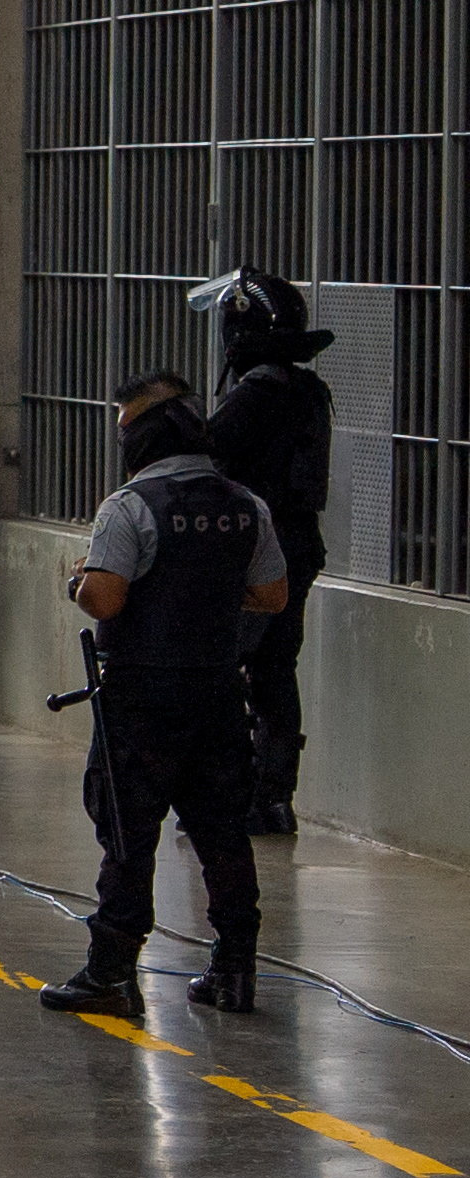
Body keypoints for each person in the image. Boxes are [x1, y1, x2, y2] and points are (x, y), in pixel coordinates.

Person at [36, 376, 287, 1022]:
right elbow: (272, 596)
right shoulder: (245, 505)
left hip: (142, 698)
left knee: (128, 832)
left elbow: (106, 598)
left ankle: (112, 973)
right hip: (217, 694)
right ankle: (234, 970)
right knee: (224, 835)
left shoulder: (129, 507)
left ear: (143, 435)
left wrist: (77, 584)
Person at [197, 268, 331, 835]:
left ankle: (233, 789)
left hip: (252, 554)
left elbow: (203, 457)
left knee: (225, 668)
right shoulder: (308, 391)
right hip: (297, 549)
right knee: (277, 670)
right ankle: (275, 794)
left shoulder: (255, 394)